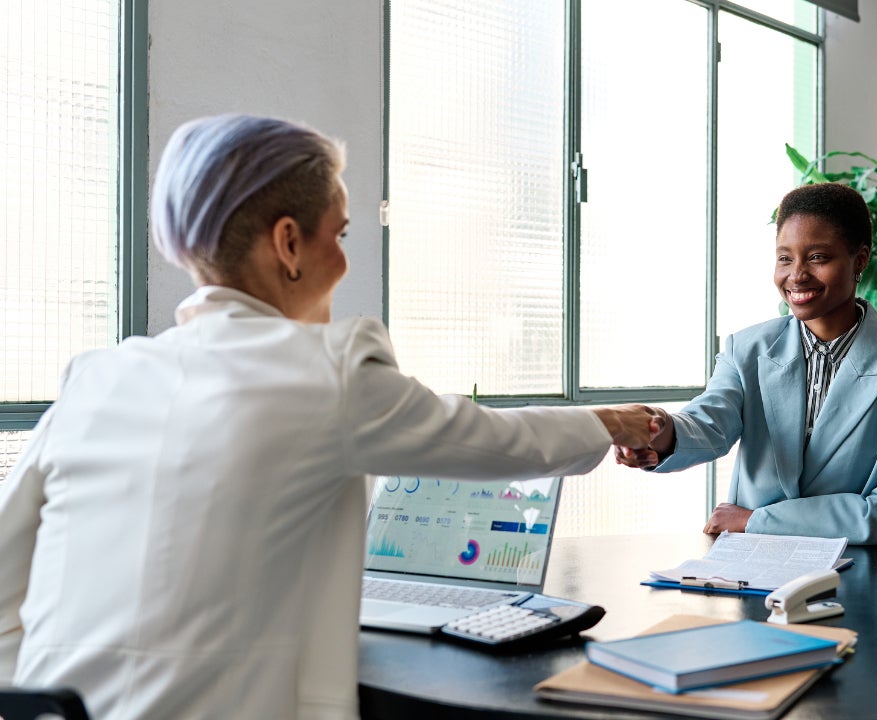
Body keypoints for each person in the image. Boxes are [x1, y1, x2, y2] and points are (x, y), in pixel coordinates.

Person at [0, 114, 662, 720]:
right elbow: (496, 443)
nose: (344, 260)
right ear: (288, 243)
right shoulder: (326, 370)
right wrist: (614, 421)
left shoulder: (95, 379)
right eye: (340, 234)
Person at [617, 182, 877, 545]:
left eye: (818, 257)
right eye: (784, 258)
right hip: (751, 575)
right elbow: (708, 423)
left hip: (855, 575)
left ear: (859, 260)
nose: (796, 275)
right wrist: (658, 429)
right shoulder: (745, 349)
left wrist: (757, 520)